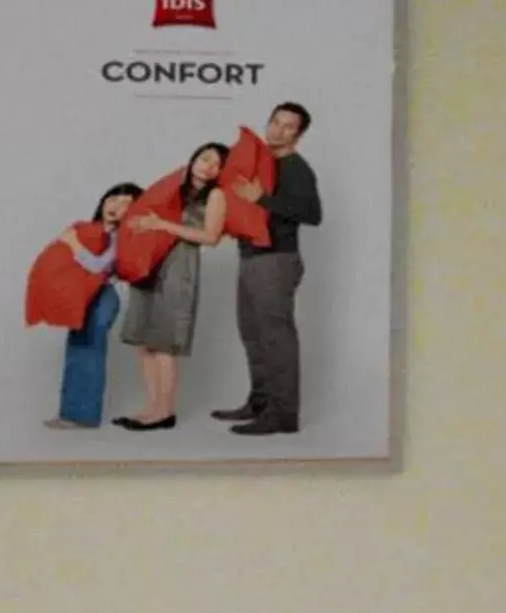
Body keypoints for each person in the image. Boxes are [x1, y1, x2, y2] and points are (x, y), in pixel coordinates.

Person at [113, 144, 229, 432]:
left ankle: (165, 411)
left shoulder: (216, 195)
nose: (208, 167)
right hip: (150, 263)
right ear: (193, 159)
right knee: (144, 341)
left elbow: (210, 237)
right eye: (204, 158)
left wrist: (162, 225)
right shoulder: (172, 187)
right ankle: (151, 407)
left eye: (217, 164)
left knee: (163, 342)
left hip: (179, 268)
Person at [219, 102, 319, 436]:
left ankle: (284, 416)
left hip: (276, 260)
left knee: (277, 338)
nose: (278, 130)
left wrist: (260, 198)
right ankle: (260, 403)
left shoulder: (295, 167)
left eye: (288, 127)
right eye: (275, 122)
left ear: (298, 135)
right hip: (250, 256)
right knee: (252, 334)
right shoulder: (262, 164)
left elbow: (312, 213)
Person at [29, 182, 141, 431]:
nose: (116, 206)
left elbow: (99, 266)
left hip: (102, 298)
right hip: (82, 295)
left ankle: (83, 417)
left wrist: (72, 243)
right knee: (76, 351)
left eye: (126, 204)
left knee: (89, 353)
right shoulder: (88, 230)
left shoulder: (121, 238)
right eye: (113, 198)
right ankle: (69, 413)